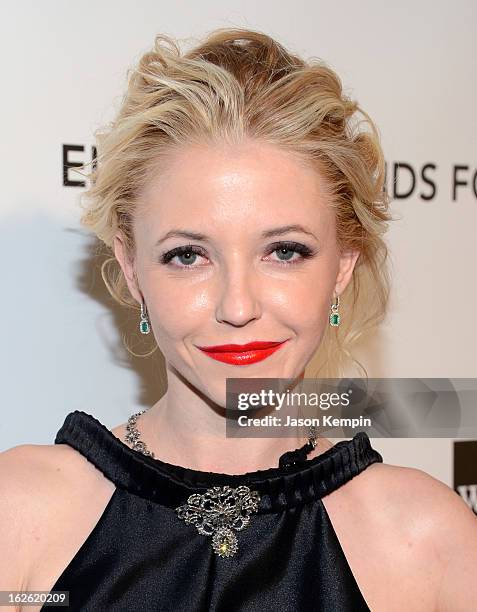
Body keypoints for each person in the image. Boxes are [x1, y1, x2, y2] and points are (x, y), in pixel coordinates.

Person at [1, 27, 476, 612]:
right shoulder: (19, 517)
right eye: (188, 256)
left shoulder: (431, 545)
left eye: (284, 252)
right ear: (131, 268)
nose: (237, 306)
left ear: (343, 266)